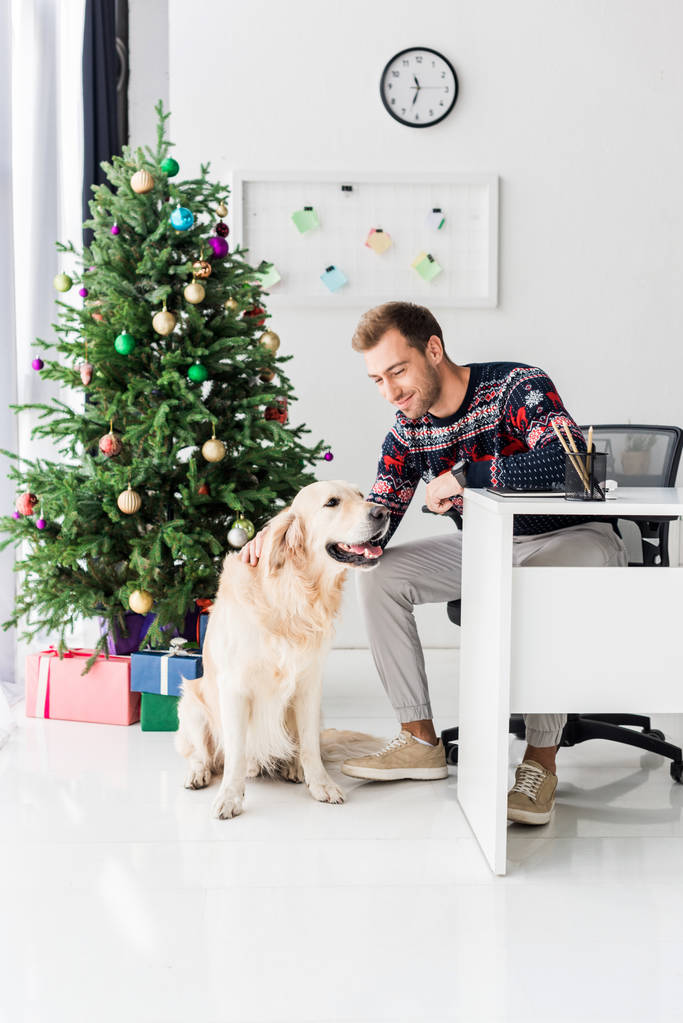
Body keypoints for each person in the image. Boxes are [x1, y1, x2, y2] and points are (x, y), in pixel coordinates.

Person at [241, 302, 628, 825]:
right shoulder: (408, 432)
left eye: (398, 371)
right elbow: (373, 521)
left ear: (434, 350)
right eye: (377, 380)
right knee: (382, 575)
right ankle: (419, 739)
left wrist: (468, 476)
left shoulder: (517, 387)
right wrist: (284, 531)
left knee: (535, 586)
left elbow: (570, 462)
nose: (390, 391)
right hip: (491, 544)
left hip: (572, 537)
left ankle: (541, 761)